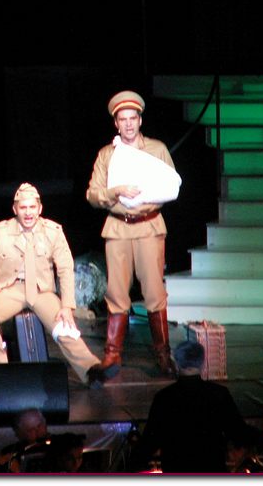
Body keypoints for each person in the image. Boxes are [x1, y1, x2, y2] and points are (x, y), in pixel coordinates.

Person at [0, 183, 118, 388]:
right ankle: (0, 372)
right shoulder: (0, 233)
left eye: (32, 207)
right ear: (15, 209)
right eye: (23, 208)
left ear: (40, 208)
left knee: (64, 324)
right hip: (12, 290)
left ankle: (91, 370)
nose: (28, 213)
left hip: (42, 291)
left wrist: (67, 306)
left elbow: (65, 268)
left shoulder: (53, 231)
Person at [86, 90, 178, 378]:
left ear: (140, 120)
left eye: (132, 118)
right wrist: (116, 191)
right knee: (116, 292)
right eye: (122, 119)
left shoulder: (157, 149)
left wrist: (143, 198)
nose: (128, 124)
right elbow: (92, 194)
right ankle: (113, 353)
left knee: (153, 291)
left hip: (149, 225)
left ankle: (163, 353)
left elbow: (170, 186)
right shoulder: (107, 154)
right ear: (116, 123)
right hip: (118, 226)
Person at [135, 341, 258, 473]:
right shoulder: (219, 394)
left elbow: (150, 442)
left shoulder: (164, 398)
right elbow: (238, 432)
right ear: (202, 363)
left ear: (177, 363)